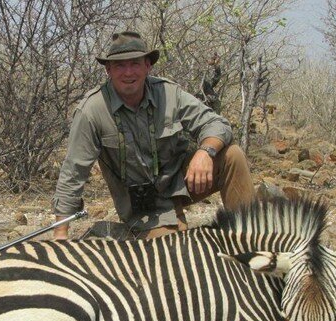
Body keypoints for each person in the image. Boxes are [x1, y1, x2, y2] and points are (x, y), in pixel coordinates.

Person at [53, 31, 255, 239]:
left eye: (135, 64)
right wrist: (61, 234)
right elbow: (73, 172)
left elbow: (216, 123)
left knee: (232, 155)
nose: (128, 72)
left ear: (147, 66)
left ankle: (252, 239)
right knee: (174, 250)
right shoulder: (91, 110)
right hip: (143, 207)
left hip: (182, 182)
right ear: (108, 70)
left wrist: (205, 152)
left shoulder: (168, 93)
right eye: (120, 65)